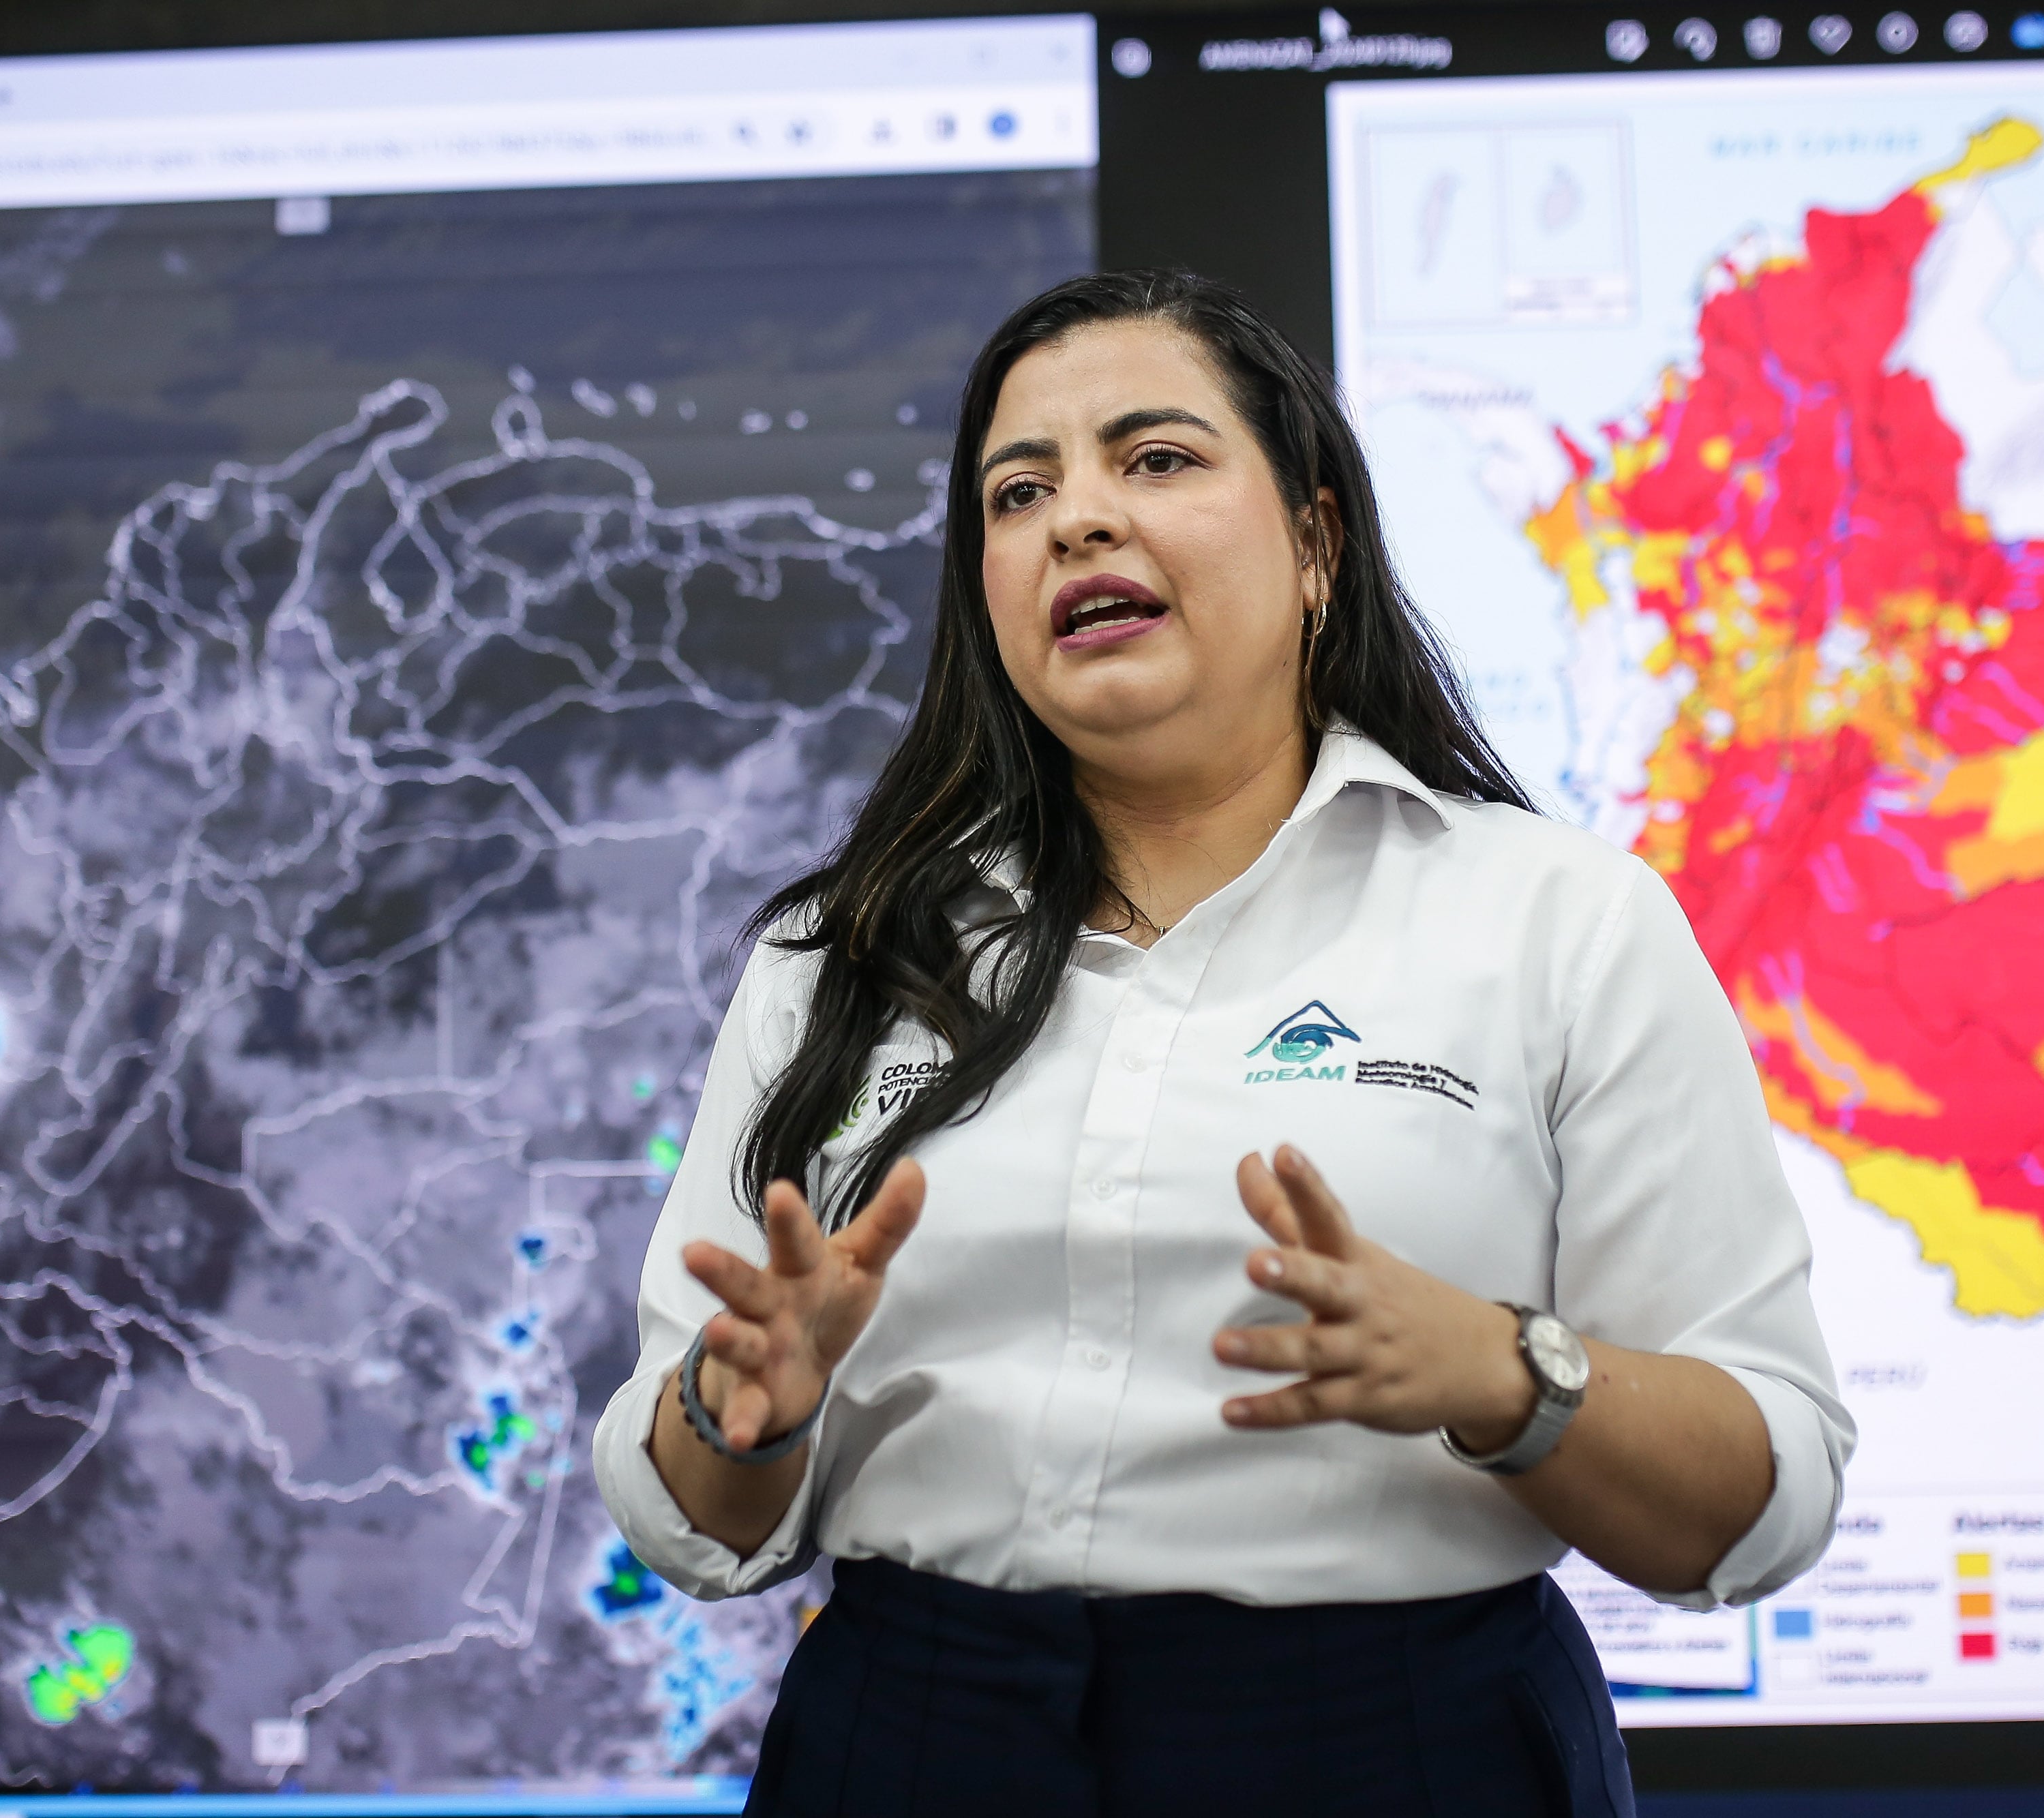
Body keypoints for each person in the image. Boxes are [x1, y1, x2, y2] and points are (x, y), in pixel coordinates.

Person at [594, 269, 1852, 1817]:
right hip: (916, 1739)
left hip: (1398, 1745)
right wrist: (747, 1405)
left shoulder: (1556, 919)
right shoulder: (839, 954)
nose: (1077, 519)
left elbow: (1762, 1487)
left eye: (1157, 459)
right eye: (1019, 490)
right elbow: (692, 1519)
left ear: (1316, 542)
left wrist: (1497, 1370)